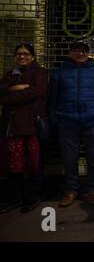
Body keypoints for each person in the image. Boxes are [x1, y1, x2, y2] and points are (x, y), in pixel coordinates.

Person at [49, 41, 94, 207]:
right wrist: (56, 118)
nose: (80, 54)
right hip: (67, 120)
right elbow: (53, 98)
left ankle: (92, 190)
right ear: (70, 53)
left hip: (93, 120)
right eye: (76, 51)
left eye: (83, 51)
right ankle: (71, 191)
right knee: (69, 159)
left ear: (88, 53)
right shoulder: (59, 74)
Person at [0, 43, 48, 213]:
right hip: (11, 128)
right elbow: (1, 92)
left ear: (33, 57)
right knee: (13, 164)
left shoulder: (40, 72)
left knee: (33, 163)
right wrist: (15, 87)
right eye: (19, 54)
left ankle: (33, 197)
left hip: (30, 126)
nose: (22, 56)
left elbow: (35, 92)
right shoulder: (10, 73)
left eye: (26, 54)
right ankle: (16, 198)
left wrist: (10, 94)